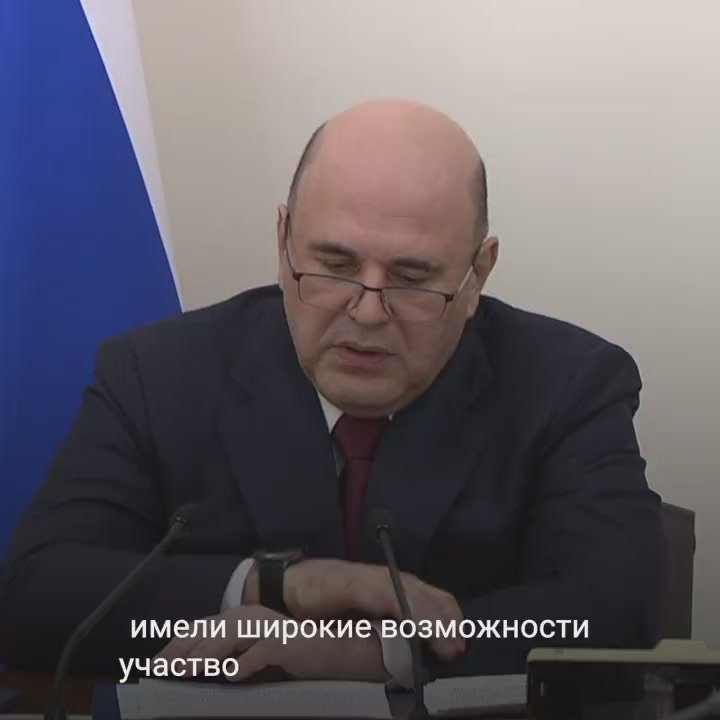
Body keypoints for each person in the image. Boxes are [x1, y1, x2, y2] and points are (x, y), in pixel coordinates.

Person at [0, 99, 667, 684]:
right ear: (283, 241)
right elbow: (33, 598)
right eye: (335, 264)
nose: (367, 311)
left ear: (478, 275)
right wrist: (271, 585)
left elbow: (612, 612)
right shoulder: (156, 375)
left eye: (412, 278)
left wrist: (372, 653)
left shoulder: (567, 385)